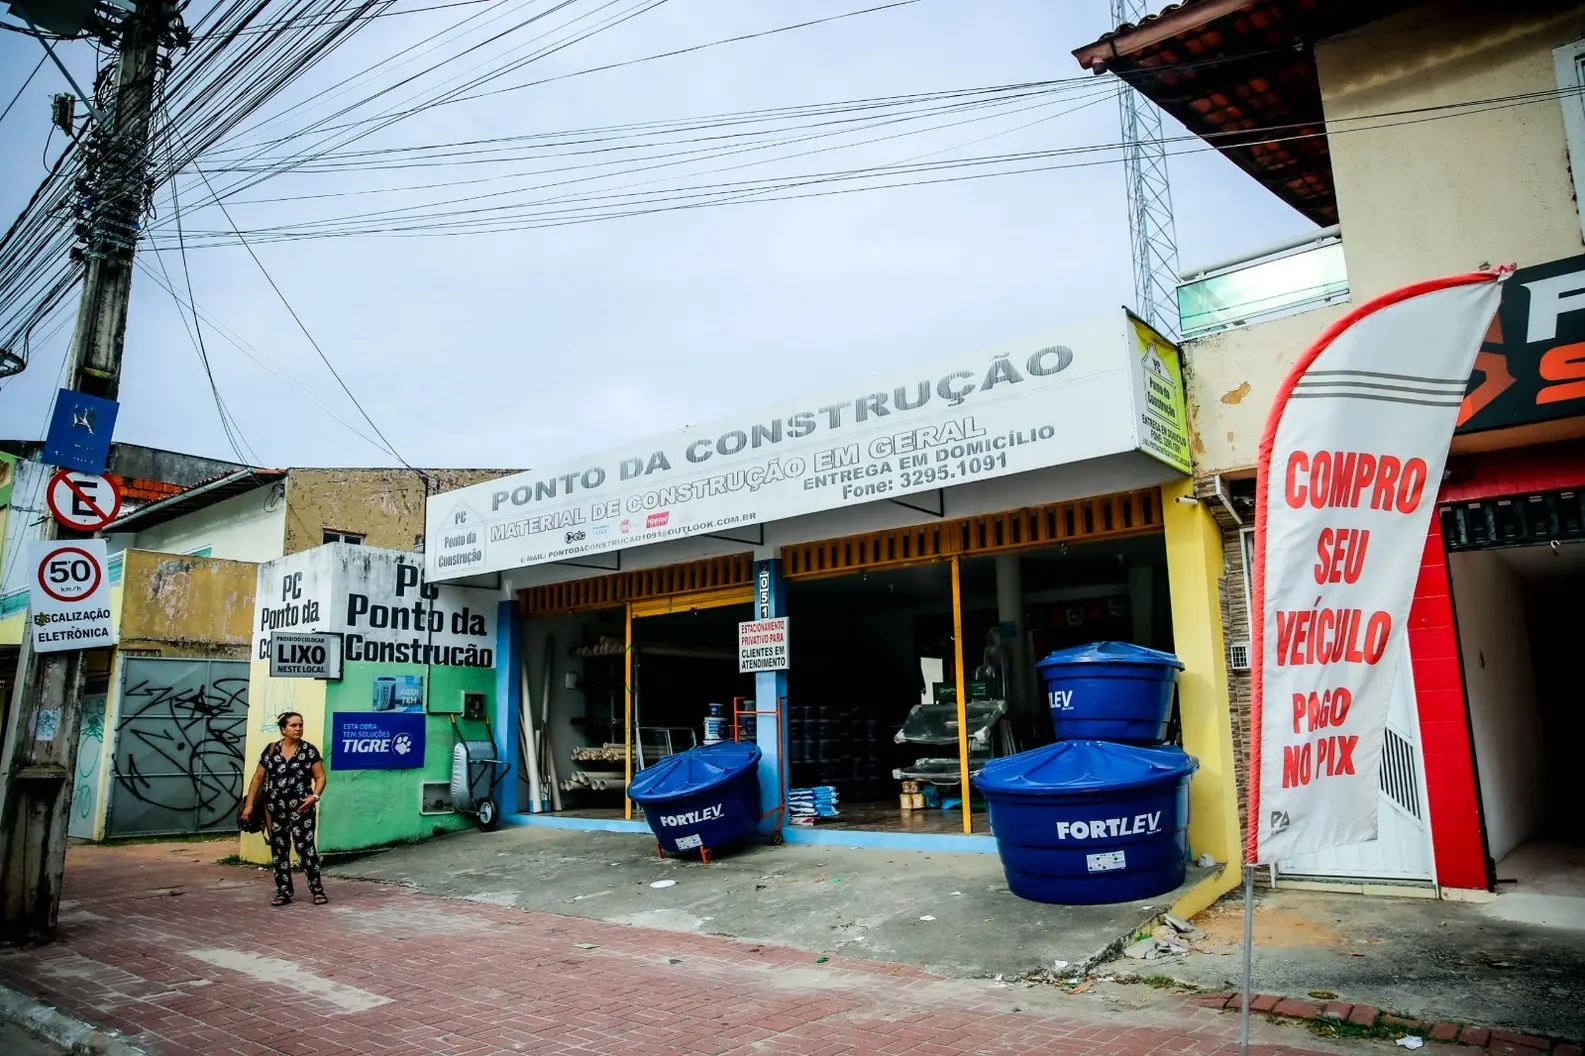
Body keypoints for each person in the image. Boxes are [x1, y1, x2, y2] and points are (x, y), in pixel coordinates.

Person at [242, 712, 328, 907]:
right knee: (279, 850)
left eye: (300, 725)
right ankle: (283, 891)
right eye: (293, 725)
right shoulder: (272, 750)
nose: (298, 729)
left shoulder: (309, 751)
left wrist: (314, 797)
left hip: (302, 809)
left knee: (305, 849)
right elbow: (258, 778)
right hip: (275, 811)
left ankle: (317, 890)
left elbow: (320, 777)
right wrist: (249, 806)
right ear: (283, 729)